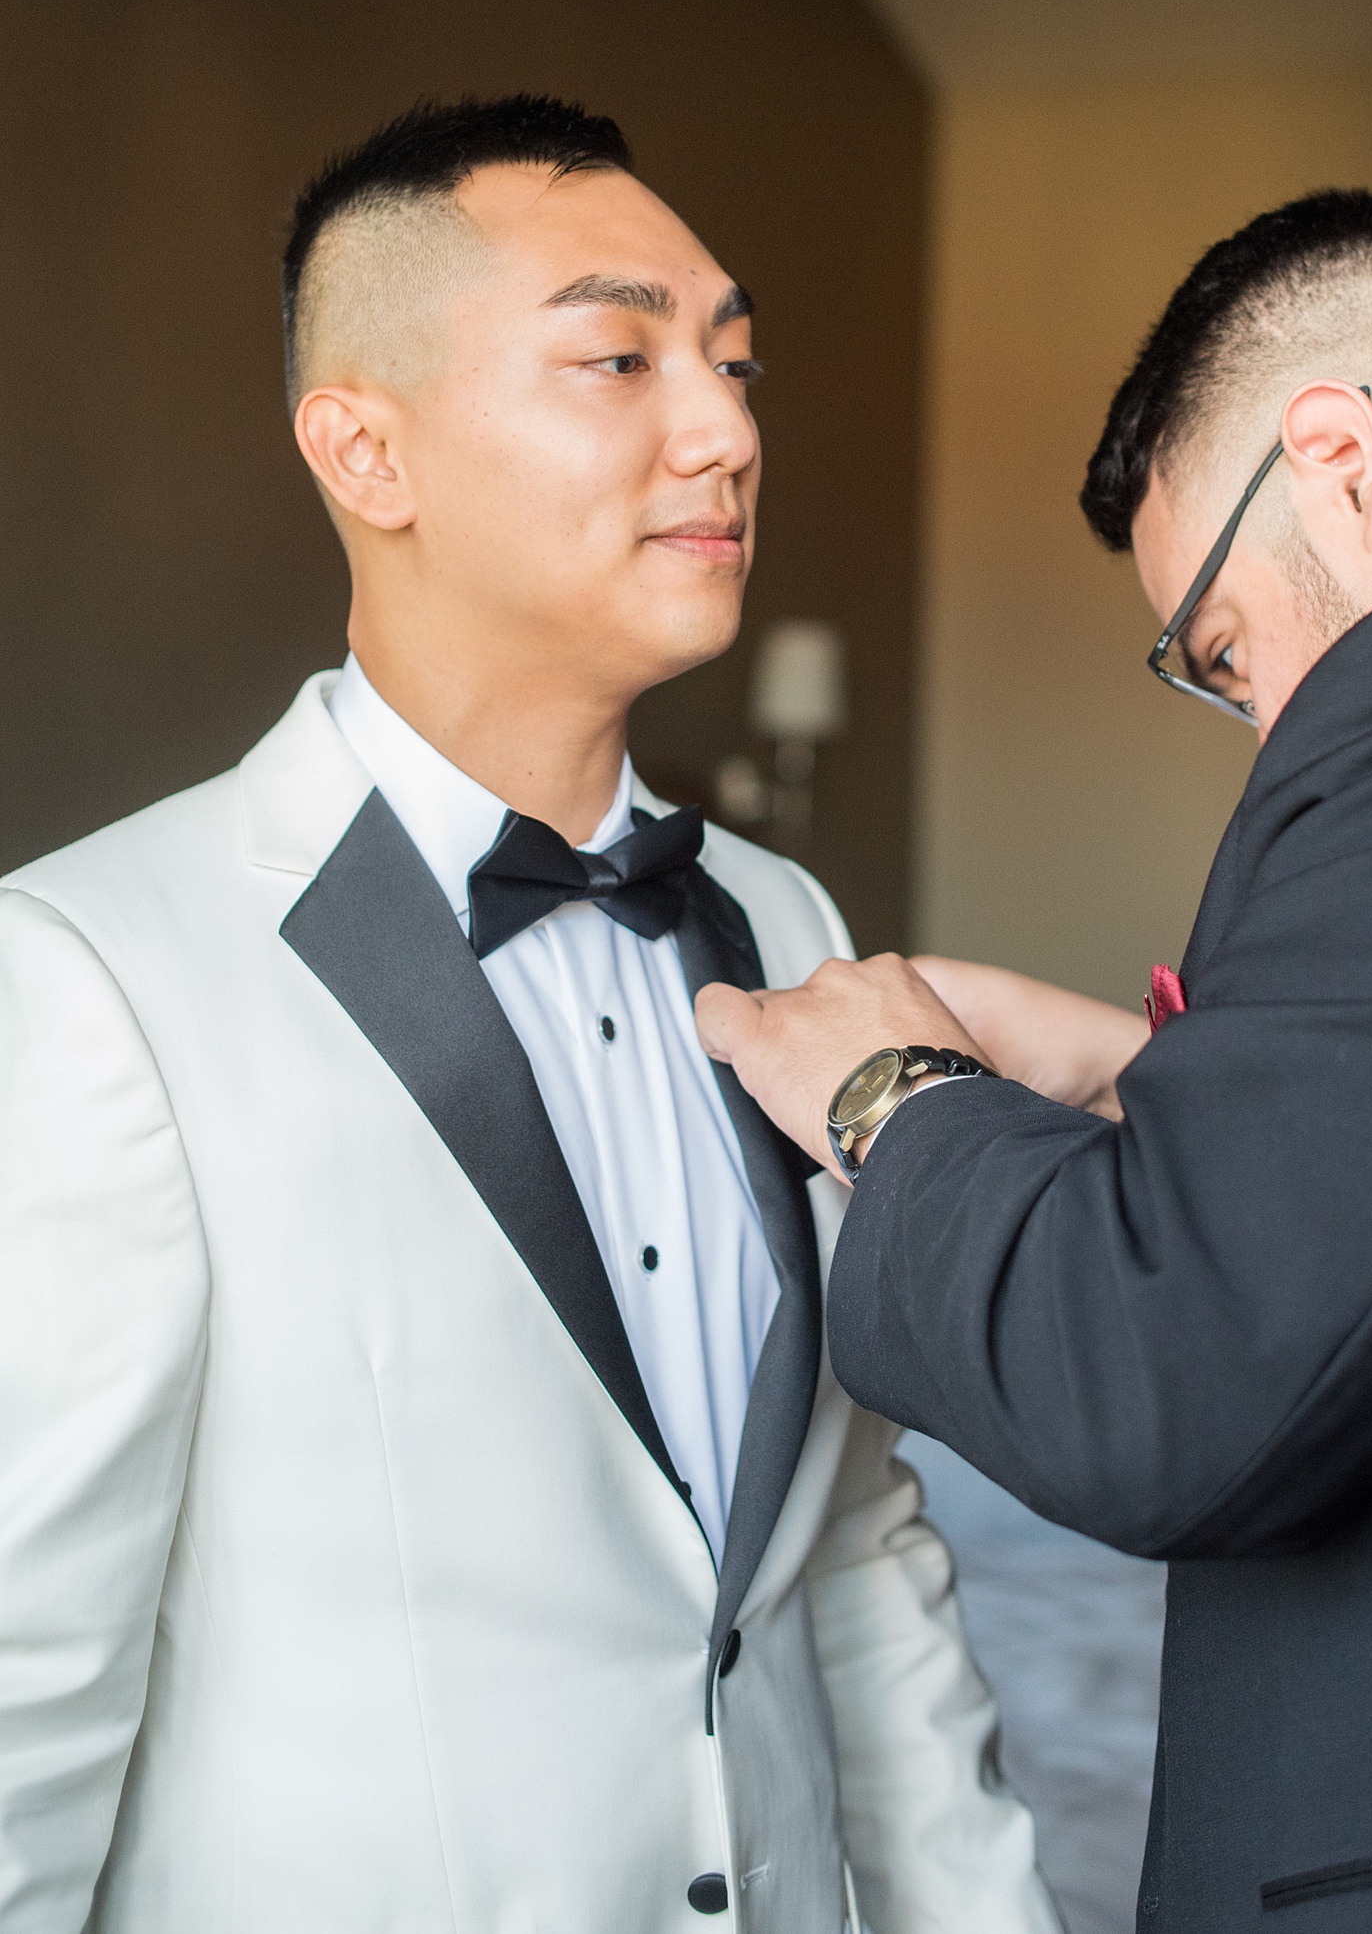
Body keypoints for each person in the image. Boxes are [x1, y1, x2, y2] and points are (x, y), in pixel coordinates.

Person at [0, 95, 1058, 1934]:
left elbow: (856, 1558)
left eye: (733, 362)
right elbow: (26, 1681)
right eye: (617, 358)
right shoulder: (94, 971)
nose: (725, 428)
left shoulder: (783, 923)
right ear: (365, 450)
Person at [699, 189, 1372, 1928]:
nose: (1265, 741)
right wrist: (1121, 1083)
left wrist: (895, 1099)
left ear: (1344, 463)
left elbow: (1178, 1377)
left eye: (1225, 659)